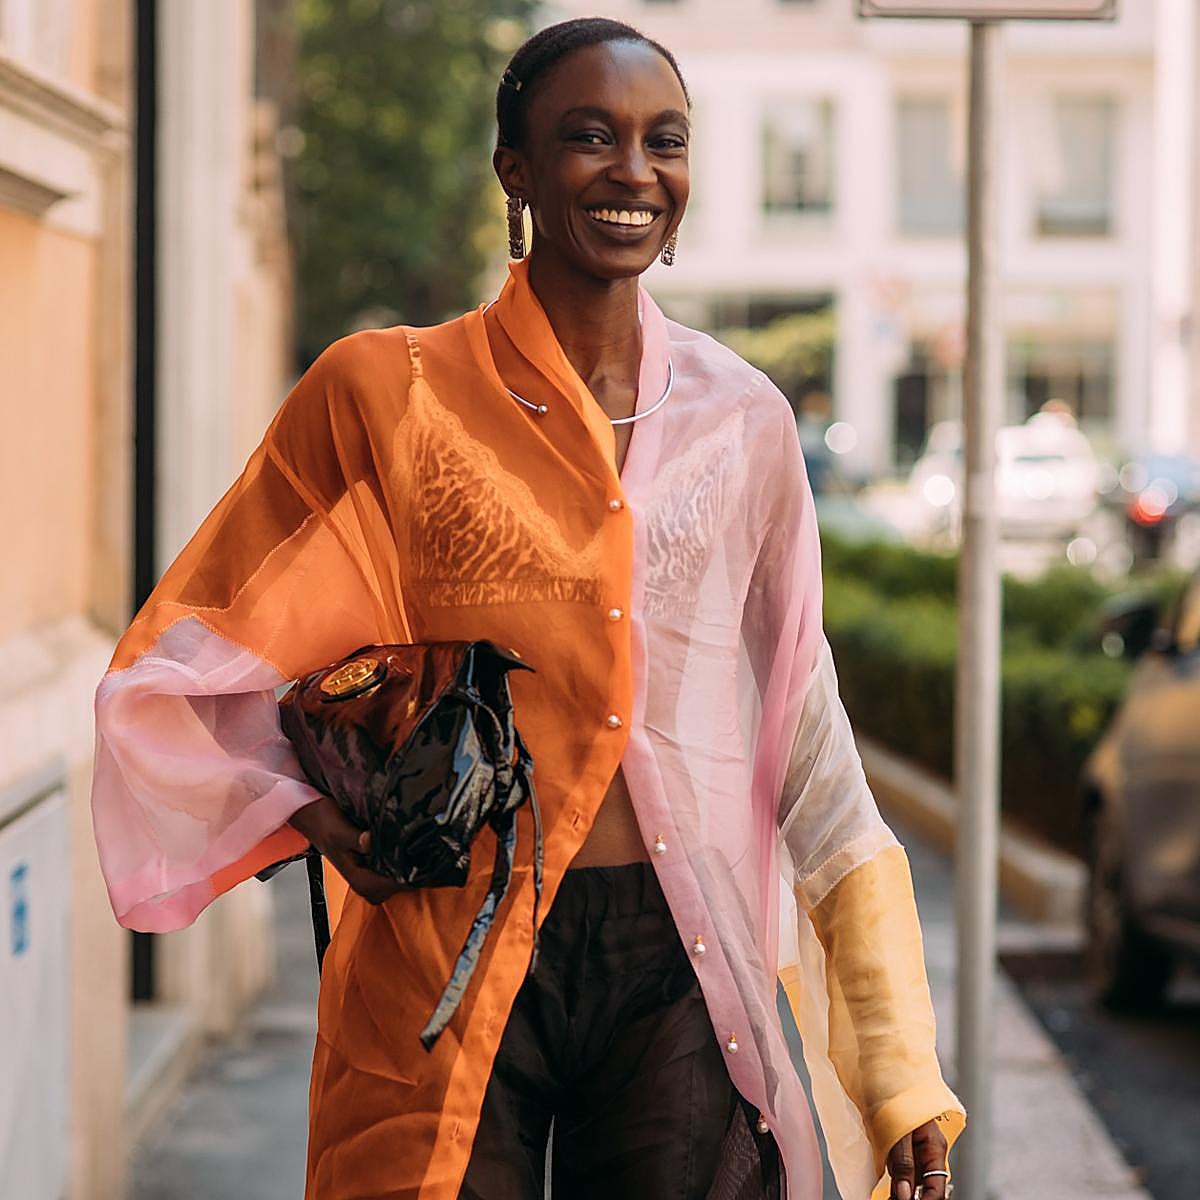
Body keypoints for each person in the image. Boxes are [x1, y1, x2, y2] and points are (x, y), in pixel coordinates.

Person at [91, 18, 963, 1200]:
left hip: (677, 963)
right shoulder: (382, 394)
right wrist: (313, 814)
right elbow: (189, 660)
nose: (633, 171)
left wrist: (900, 1066)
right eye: (588, 137)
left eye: (665, 141)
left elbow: (804, 729)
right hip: (441, 957)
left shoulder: (741, 421)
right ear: (516, 168)